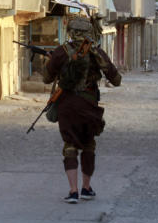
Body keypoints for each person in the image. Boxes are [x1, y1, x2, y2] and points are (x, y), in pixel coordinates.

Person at [43, 15, 121, 203]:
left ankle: (73, 191)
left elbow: (46, 78)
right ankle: (86, 188)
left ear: (71, 31)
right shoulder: (96, 53)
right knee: (88, 145)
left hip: (67, 106)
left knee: (69, 146)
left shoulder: (61, 52)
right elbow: (116, 80)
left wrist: (51, 61)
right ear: (89, 32)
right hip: (89, 105)